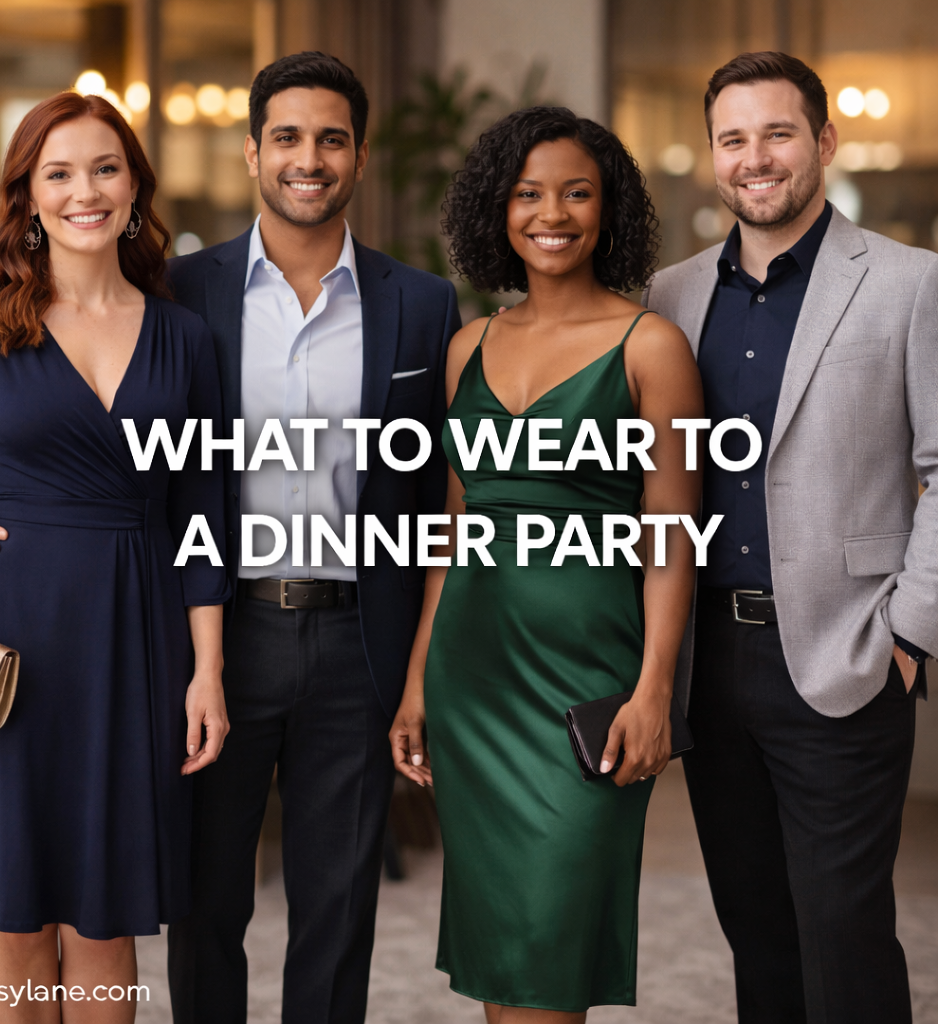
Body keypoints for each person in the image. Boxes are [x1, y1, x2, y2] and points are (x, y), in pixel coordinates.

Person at [0, 51, 459, 1024]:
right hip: (208, 635)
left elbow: (441, 498)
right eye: (286, 137)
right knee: (204, 906)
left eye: (329, 139)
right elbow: (79, 396)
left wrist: (420, 670)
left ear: (359, 156)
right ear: (251, 152)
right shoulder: (182, 293)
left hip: (360, 635)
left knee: (337, 910)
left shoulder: (422, 306)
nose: (306, 158)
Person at [0, 92, 229, 1022]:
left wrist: (207, 670)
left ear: (134, 187)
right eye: (58, 172)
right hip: (8, 636)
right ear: (28, 195)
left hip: (135, 642)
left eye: (104, 168)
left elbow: (201, 514)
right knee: (16, 920)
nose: (83, 190)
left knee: (106, 917)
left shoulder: (185, 338)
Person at [642, 51, 938, 1024]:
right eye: (734, 138)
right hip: (711, 660)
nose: (755, 157)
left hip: (845, 651)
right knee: (755, 931)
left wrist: (907, 634)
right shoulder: (670, 295)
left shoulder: (907, 283)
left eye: (777, 133)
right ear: (712, 154)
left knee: (844, 932)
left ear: (822, 141)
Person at [390, 107, 704, 1021]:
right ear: (499, 210)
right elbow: (453, 531)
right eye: (528, 194)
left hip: (587, 687)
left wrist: (654, 692)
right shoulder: (465, 350)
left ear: (610, 212)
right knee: (507, 955)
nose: (552, 213)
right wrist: (417, 682)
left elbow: (673, 540)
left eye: (577, 192)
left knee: (552, 943)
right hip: (473, 682)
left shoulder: (652, 347)